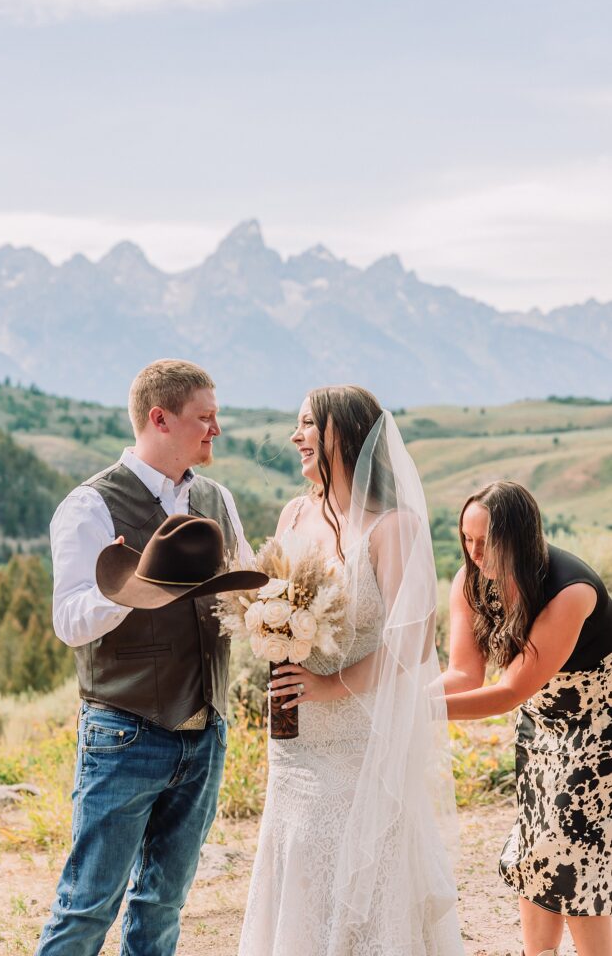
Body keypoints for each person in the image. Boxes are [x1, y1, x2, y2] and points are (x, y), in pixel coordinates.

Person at [36, 358, 257, 956]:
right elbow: (69, 621)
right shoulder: (89, 506)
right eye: (204, 418)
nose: (216, 430)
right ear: (160, 418)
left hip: (206, 732)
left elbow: (246, 589)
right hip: (124, 732)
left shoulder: (218, 498)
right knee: (87, 907)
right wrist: (129, 593)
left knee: (162, 905)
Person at [239, 385, 463, 956]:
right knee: (301, 865)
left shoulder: (394, 527)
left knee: (358, 870)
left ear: (345, 434)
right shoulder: (294, 512)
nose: (295, 437)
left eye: (308, 425)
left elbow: (413, 644)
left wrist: (329, 684)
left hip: (358, 738)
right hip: (293, 740)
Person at [442, 481, 612, 956]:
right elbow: (463, 674)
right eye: (467, 541)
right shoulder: (470, 579)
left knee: (577, 861)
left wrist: (419, 714)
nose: (475, 554)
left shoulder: (570, 590)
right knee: (535, 848)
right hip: (539, 728)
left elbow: (509, 691)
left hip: (598, 732)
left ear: (519, 537)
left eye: (486, 542)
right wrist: (399, 699)